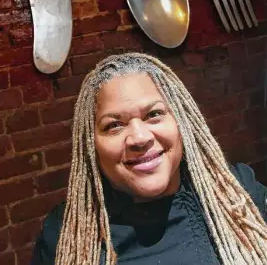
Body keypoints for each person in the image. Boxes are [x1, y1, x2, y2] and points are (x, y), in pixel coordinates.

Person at [31, 52, 267, 264]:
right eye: (114, 125)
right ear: (90, 145)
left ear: (181, 122)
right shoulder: (66, 234)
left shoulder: (238, 192)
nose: (140, 138)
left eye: (154, 114)